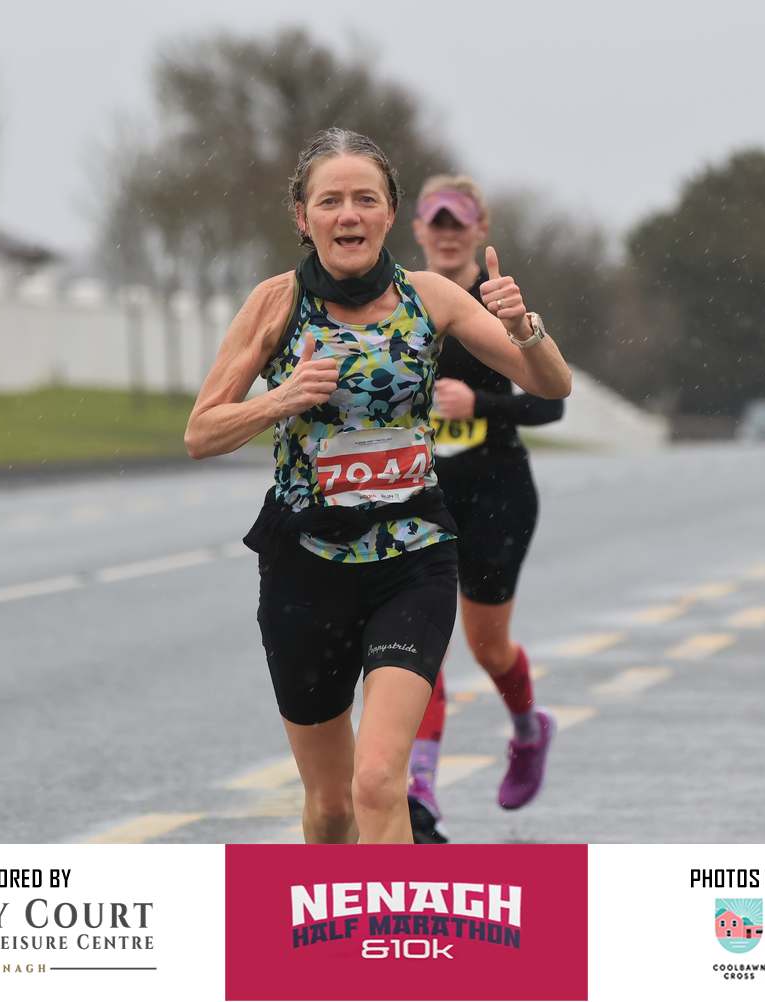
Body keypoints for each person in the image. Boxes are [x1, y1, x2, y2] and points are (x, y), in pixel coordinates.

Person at [184, 128, 571, 843]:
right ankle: (336, 913)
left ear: (391, 213)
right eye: (330, 201)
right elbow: (201, 433)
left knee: (378, 781)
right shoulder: (274, 304)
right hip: (305, 567)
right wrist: (281, 399)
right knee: (332, 805)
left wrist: (524, 327)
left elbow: (552, 384)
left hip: (411, 557)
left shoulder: (431, 297)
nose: (349, 215)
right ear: (303, 217)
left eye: (365, 199)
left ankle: (391, 916)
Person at [403, 176, 564, 844]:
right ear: (417, 229)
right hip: (420, 496)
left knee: (487, 645)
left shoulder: (497, 300)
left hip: (497, 494)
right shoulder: (399, 302)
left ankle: (528, 729)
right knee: (420, 641)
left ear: (480, 228)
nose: (446, 233)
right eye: (435, 222)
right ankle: (419, 792)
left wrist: (481, 404)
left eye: (458, 222)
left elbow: (551, 403)